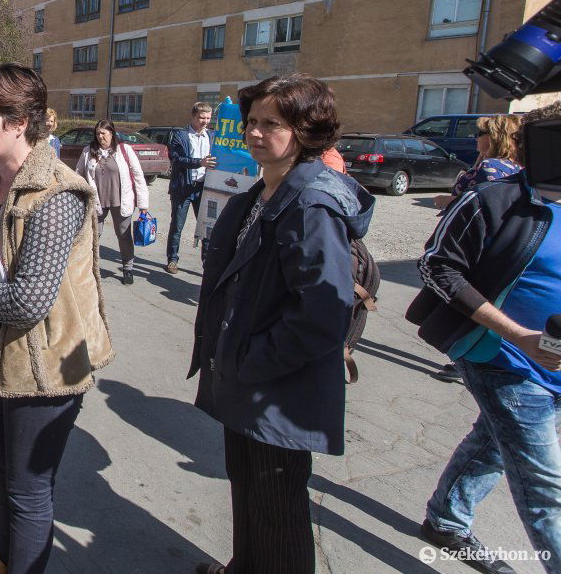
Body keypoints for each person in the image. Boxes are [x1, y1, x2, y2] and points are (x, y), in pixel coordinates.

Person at [188, 74, 374, 574]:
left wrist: (251, 361)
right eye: (251, 121)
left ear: (306, 132)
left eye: (271, 123)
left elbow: (321, 314)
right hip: (246, 381)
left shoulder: (311, 205)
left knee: (279, 515)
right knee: (247, 490)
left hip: (275, 390)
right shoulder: (264, 192)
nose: (253, 132)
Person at [0, 63, 112, 574]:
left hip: (44, 370)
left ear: (18, 122)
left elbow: (28, 301)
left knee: (28, 491)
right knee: (3, 473)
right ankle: (5, 561)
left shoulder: (58, 194)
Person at [407, 101, 561, 574]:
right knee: (546, 486)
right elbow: (436, 265)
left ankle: (446, 521)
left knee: (493, 445)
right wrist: (517, 333)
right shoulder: (496, 199)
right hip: (503, 357)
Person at [429, 113, 523, 385]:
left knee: (466, 296)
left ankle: (465, 356)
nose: (476, 139)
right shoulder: (514, 166)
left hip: (474, 245)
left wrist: (445, 200)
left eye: (480, 134)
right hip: (504, 247)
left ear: (493, 138)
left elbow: (470, 202)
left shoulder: (490, 167)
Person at [75, 119, 148, 284]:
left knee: (123, 235)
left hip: (120, 201)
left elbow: (138, 176)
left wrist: (143, 205)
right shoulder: (88, 151)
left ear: (112, 133)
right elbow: (78, 174)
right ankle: (90, 269)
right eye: (98, 133)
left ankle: (128, 268)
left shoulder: (124, 150)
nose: (100, 137)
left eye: (104, 133)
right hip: (96, 202)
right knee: (93, 236)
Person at [167, 102, 217, 274]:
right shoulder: (180, 135)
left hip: (204, 188)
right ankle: (172, 260)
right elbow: (176, 159)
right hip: (183, 188)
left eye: (208, 118)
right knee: (177, 227)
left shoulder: (212, 136)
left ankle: (208, 264)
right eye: (202, 117)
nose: (205, 121)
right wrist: (199, 163)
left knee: (206, 228)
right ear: (193, 117)